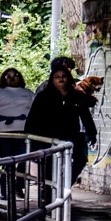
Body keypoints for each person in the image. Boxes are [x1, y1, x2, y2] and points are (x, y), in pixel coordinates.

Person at [24, 64, 96, 193]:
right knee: (50, 166)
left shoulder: (75, 95)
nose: (61, 79)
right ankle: (47, 194)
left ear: (68, 78)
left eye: (63, 76)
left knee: (81, 159)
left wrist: (92, 132)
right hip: (49, 135)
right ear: (52, 79)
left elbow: (86, 113)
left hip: (71, 134)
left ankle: (64, 185)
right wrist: (30, 136)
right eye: (57, 77)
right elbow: (33, 116)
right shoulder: (44, 96)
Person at [0, 67, 34, 197]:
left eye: (15, 75)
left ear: (19, 77)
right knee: (7, 161)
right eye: (8, 76)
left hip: (23, 130)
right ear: (3, 79)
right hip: (3, 131)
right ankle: (5, 190)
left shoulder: (28, 93)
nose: (12, 78)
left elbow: (35, 110)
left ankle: (18, 186)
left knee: (23, 159)